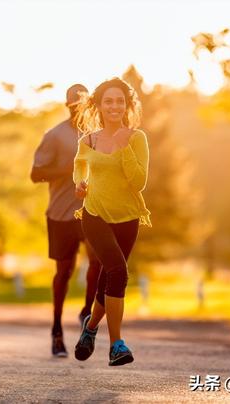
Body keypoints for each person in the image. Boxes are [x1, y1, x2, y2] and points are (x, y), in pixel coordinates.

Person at [72, 78, 151, 366]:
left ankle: (90, 328)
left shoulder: (137, 138)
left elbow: (139, 182)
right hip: (94, 215)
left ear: (127, 105)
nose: (114, 106)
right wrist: (80, 184)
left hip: (128, 217)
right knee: (118, 271)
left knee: (110, 276)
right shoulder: (88, 140)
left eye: (120, 101)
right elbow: (80, 169)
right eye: (109, 101)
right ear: (100, 106)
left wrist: (123, 147)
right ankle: (117, 344)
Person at [31, 84, 101, 358]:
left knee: (98, 261)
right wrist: (73, 166)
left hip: (92, 210)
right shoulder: (55, 135)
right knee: (64, 272)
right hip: (61, 212)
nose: (79, 107)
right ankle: (57, 330)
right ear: (67, 105)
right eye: (74, 103)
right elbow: (36, 174)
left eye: (84, 102)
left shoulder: (99, 135)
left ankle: (86, 312)